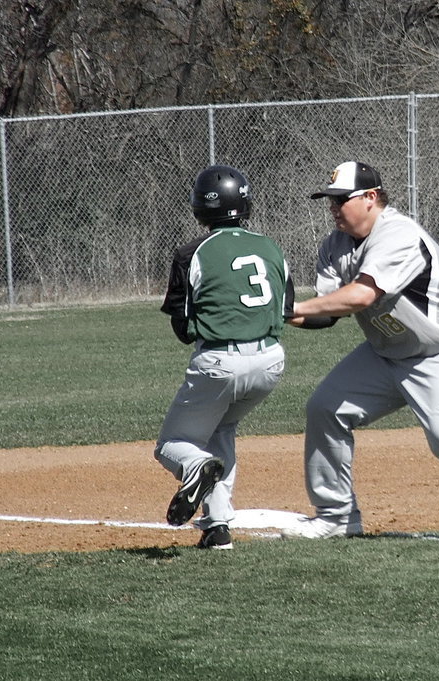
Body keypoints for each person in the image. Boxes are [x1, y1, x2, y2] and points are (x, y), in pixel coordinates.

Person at [281, 160, 439, 540]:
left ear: (371, 198)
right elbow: (328, 311)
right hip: (388, 352)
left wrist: (291, 308)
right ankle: (337, 516)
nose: (334, 208)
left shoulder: (398, 234)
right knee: (325, 408)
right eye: (329, 201)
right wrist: (278, 316)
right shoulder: (334, 246)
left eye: (341, 199)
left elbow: (361, 296)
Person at [154, 164, 294, 550]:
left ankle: (194, 468)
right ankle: (217, 527)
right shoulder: (270, 247)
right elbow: (286, 309)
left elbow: (183, 331)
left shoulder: (190, 254)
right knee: (220, 430)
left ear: (199, 208)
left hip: (220, 362)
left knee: (172, 445)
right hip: (271, 362)